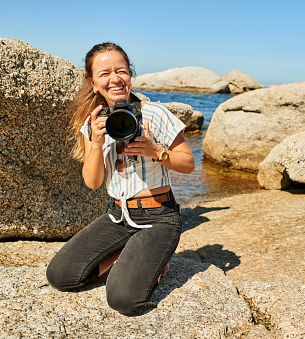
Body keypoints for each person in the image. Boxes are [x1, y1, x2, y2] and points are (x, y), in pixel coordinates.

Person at [46, 42, 195, 315]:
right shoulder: (94, 123)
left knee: (123, 300)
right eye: (104, 74)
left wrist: (156, 151)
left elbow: (188, 163)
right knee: (60, 276)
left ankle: (154, 258)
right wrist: (96, 141)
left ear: (130, 75)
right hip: (116, 216)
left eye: (121, 71)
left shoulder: (155, 114)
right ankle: (133, 253)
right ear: (92, 83)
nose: (114, 79)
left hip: (158, 217)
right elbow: (92, 182)